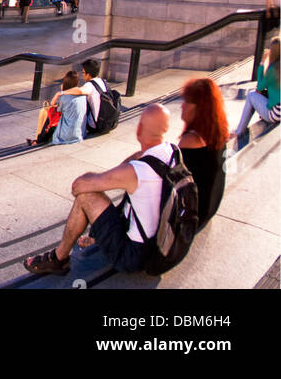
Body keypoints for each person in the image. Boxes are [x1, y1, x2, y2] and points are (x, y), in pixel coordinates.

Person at [24, 105, 181, 275]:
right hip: (157, 244)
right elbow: (136, 163)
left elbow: (79, 185)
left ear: (139, 129)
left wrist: (101, 179)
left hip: (133, 255)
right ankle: (95, 237)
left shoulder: (137, 171)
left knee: (86, 196)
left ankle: (58, 258)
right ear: (166, 128)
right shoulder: (171, 151)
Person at [176, 78, 228, 226]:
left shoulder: (192, 140)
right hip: (210, 206)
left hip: (195, 214)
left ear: (199, 108)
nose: (182, 106)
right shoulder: (217, 131)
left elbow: (171, 178)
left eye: (186, 101)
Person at [236, 38, 279, 140]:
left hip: (275, 115)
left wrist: (262, 63)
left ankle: (239, 131)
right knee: (263, 93)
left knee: (251, 95)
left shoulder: (274, 70)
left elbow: (259, 88)